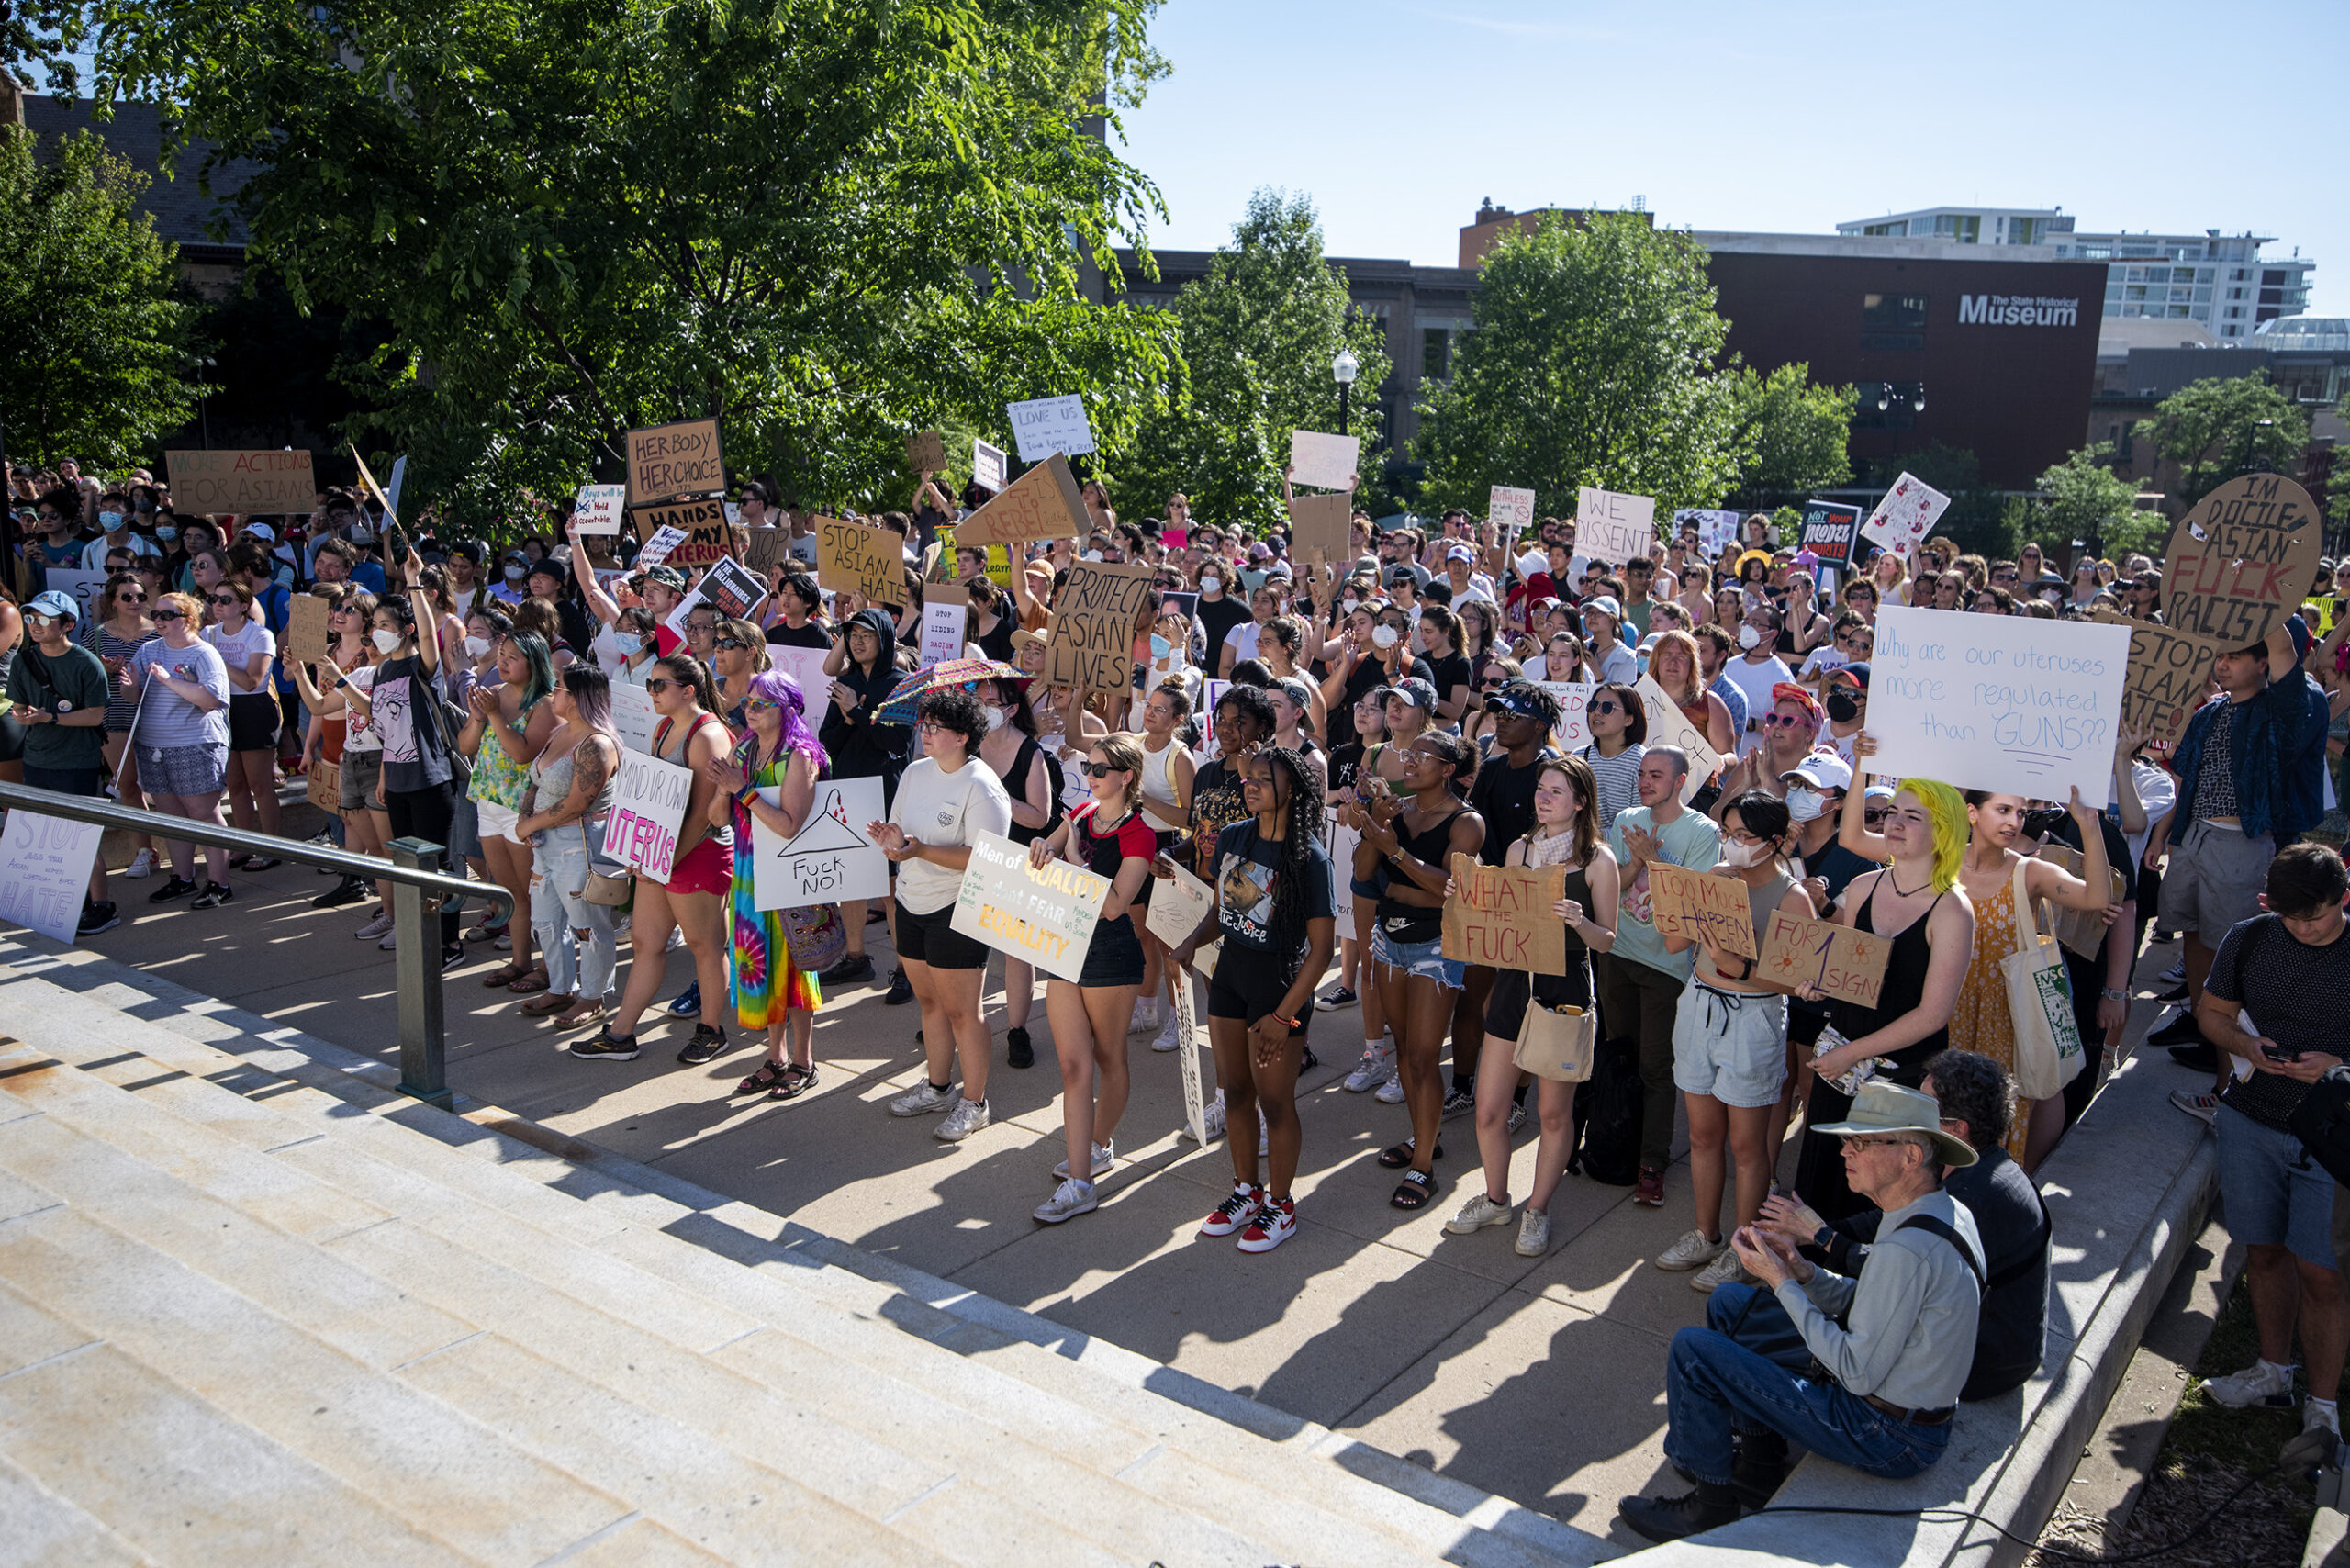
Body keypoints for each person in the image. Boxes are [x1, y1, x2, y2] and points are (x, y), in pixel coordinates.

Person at [1618, 1080, 1985, 1542]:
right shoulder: (1938, 1213)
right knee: (1731, 1303)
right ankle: (1758, 1463)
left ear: (1911, 1156)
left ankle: (1708, 1510)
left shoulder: (1908, 1248)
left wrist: (1781, 1282)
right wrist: (1806, 1274)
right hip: (1899, 1409)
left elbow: (1855, 1372)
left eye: (1860, 1142)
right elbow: (1873, 1302)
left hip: (1887, 1434)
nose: (1844, 1152)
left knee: (1694, 1351)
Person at [1760, 1047, 2052, 1404]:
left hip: (1986, 1363)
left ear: (1956, 1129)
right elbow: (1881, 1227)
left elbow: (1889, 1271)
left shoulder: (1976, 1196)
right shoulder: (1976, 1169)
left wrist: (1816, 1242)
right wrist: (1808, 1235)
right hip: (1981, 1343)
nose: (1909, 1109)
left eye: (1923, 1106)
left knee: (1767, 1335)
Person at [2191, 843, 2349, 1440]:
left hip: (2331, 1139)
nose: (2307, 929)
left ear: (2343, 898)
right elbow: (2212, 1014)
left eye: (2319, 917)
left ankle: (2324, 1406)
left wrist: (2336, 1066)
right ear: (2267, 903)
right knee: (2261, 1252)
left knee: (2323, 1272)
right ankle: (2273, 1370)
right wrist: (2245, 1046)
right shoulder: (2250, 938)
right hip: (2250, 1121)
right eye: (2294, 919)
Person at [1446, 754, 1619, 1257]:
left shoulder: (1597, 861)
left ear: (1581, 802)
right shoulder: (1520, 849)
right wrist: (1466, 895)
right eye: (1541, 789)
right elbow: (1501, 915)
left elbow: (1607, 940)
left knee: (1551, 1114)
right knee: (1488, 1110)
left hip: (1563, 991)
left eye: (1556, 792)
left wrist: (1579, 921)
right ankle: (1497, 1199)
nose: (1543, 798)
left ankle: (1537, 1210)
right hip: (1513, 985)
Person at [1173, 745, 1337, 1251]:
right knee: (1236, 1094)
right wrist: (1186, 946)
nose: (1252, 783)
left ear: (1293, 789)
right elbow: (1222, 910)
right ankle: (1246, 1190)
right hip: (1229, 978)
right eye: (1250, 776)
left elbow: (1322, 950)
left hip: (1278, 989)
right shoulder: (1233, 837)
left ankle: (1281, 1206)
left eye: (1265, 778)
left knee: (1275, 1101)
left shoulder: (1310, 859)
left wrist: (1282, 1017)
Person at [1794, 773, 1975, 1225]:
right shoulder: (1863, 887)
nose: (1894, 823)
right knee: (1825, 1174)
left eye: (1913, 816)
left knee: (1879, 1194)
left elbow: (1934, 1014)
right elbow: (1851, 974)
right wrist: (1819, 982)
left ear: (1944, 832)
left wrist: (1853, 1054)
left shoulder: (1953, 909)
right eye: (1892, 812)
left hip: (1902, 1074)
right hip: (1841, 1056)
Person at [1654, 793, 1818, 1291]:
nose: (1734, 844)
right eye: (1729, 832)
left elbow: (1800, 980)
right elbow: (1675, 943)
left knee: (1747, 1144)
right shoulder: (1718, 877)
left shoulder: (1793, 898)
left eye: (1745, 836)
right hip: (1700, 1005)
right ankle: (1706, 1234)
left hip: (1753, 1020)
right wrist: (1671, 903)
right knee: (1703, 1135)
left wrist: (1740, 965)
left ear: (1774, 842)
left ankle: (1747, 1247)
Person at [2149, 621, 2322, 1064]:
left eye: (2234, 656)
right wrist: (2163, 835)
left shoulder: (2281, 711)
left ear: (2262, 663)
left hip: (2241, 843)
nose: (2221, 665)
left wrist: (2258, 604)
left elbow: (2285, 649)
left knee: (2233, 945)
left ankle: (2230, 1050)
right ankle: (2206, 1027)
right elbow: (2184, 778)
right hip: (2191, 840)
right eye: (2219, 656)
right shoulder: (2209, 711)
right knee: (2193, 933)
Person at [570, 654, 737, 1061]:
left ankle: (712, 1031)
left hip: (699, 853)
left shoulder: (708, 736)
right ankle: (621, 1034)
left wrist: (662, 860)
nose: (652, 692)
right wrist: (639, 850)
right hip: (662, 854)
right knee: (646, 942)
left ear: (688, 691)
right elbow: (651, 794)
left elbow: (702, 813)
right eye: (649, 685)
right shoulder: (663, 726)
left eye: (659, 685)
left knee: (705, 945)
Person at [1944, 782, 2114, 1167]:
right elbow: (1858, 840)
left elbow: (2097, 899)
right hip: (1946, 1014)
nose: (2014, 821)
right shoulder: (1943, 860)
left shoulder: (2030, 872)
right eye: (2003, 810)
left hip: (2006, 1021)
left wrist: (2088, 823)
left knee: (1992, 1129)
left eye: (2019, 813)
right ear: (1972, 813)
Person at [1024, 734, 1158, 1223]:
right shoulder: (1081, 814)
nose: (1091, 776)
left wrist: (1075, 859)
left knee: (1109, 1058)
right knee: (1074, 1069)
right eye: (1089, 766)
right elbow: (1047, 845)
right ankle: (1081, 1181)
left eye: (1100, 770)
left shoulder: (1139, 834)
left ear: (1126, 777)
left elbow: (1114, 906)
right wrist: (1044, 844)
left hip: (1110, 955)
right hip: (1065, 948)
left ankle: (1100, 1144)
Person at [1349, 729, 1483, 1210]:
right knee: (1404, 1049)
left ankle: (1423, 1167)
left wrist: (1396, 854)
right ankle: (1421, 1136)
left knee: (1425, 1057)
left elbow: (1450, 889)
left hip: (1436, 946)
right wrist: (1375, 830)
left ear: (1448, 768)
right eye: (1409, 754)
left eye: (1422, 756)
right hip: (1390, 941)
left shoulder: (1467, 823)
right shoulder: (1398, 812)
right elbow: (1364, 874)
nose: (1410, 762)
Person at [875, 689, 1011, 1140]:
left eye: (936, 728)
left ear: (963, 738)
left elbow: (984, 857)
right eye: (924, 725)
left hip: (958, 908)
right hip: (913, 902)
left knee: (962, 1012)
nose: (925, 733)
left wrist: (920, 849)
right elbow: (903, 836)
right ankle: (938, 1089)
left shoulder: (982, 786)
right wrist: (892, 841)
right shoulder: (915, 773)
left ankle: (976, 1102)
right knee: (930, 1003)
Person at [1605, 747, 1724, 1207]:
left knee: (1655, 1066)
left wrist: (1653, 859)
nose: (1644, 781)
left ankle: (1652, 1162)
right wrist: (1637, 861)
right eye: (1641, 773)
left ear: (1681, 781)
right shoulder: (1626, 818)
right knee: (1620, 1055)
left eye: (1656, 774)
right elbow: (1613, 881)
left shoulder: (1701, 831)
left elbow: (1689, 901)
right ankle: (1618, 1144)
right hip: (1619, 952)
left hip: (1665, 966)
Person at [338, 565, 468, 968]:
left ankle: (450, 944)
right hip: (395, 782)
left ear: (407, 629)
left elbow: (431, 635)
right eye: (374, 624)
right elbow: (379, 716)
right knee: (408, 867)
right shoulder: (382, 669)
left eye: (384, 624)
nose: (376, 631)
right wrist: (339, 681)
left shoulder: (420, 667)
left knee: (439, 866)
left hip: (430, 781)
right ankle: (420, 937)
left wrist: (413, 583)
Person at [711, 670, 830, 1100]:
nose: (751, 710)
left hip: (790, 874)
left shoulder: (800, 755)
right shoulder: (744, 748)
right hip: (749, 872)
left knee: (795, 967)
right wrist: (722, 788)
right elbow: (718, 818)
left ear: (787, 709)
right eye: (747, 703)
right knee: (760, 967)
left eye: (761, 704)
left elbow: (790, 826)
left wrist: (741, 789)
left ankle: (803, 1060)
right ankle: (774, 1057)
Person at [1449, 680, 1566, 1120]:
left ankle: (1516, 1099)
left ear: (1539, 726)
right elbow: (1473, 828)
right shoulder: (1493, 769)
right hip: (1489, 901)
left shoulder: (1555, 774)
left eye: (1512, 714)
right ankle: (1462, 1086)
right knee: (1471, 1000)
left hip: (1533, 907)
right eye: (1498, 712)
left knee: (1517, 1009)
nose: (1501, 719)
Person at [512, 665, 621, 1028]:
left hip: (580, 844)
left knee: (587, 924)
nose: (551, 695)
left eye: (558, 689)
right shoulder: (560, 732)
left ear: (576, 699)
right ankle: (560, 986)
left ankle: (593, 996)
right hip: (547, 843)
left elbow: (578, 802)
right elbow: (536, 779)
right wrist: (527, 816)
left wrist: (531, 822)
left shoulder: (597, 744)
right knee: (545, 919)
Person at [10, 588, 118, 929]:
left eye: (44, 619)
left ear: (68, 624)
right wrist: (23, 715)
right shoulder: (23, 659)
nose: (35, 626)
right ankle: (68, 900)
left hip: (76, 762)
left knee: (81, 836)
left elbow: (96, 715)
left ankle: (103, 905)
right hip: (37, 758)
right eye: (30, 619)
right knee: (42, 836)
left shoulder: (86, 663)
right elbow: (17, 706)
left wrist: (50, 718)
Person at [818, 607, 912, 993]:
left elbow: (897, 743)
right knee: (851, 883)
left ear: (885, 640)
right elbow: (827, 741)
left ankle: (906, 969)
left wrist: (856, 710)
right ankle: (856, 959)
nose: (856, 641)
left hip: (888, 793)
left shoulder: (901, 683)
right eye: (851, 634)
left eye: (866, 635)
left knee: (890, 888)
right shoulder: (846, 680)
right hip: (848, 792)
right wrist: (848, 717)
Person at [121, 592, 234, 909]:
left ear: (188, 619)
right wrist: (128, 682)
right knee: (171, 817)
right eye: (156, 614)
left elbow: (211, 700)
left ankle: (219, 884)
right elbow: (132, 697)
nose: (158, 620)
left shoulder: (204, 653)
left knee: (203, 815)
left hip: (195, 745)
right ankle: (183, 878)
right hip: (153, 745)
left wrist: (169, 679)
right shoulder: (148, 649)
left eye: (168, 615)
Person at [462, 631, 558, 992]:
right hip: (488, 801)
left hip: (522, 809)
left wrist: (494, 717)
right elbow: (466, 745)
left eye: (512, 657)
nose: (502, 662)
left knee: (537, 894)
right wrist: (477, 717)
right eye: (501, 654)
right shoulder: (495, 697)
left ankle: (550, 967)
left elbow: (523, 753)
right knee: (509, 891)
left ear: (533, 663)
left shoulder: (543, 704)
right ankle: (521, 961)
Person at [975, 673, 1058, 1070]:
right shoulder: (967, 745)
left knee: (1015, 950)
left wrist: (997, 797)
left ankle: (1017, 1029)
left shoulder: (1031, 753)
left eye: (992, 703)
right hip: (972, 857)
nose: (983, 708)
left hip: (1015, 859)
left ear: (1010, 710)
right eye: (979, 700)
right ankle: (963, 1014)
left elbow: (1040, 815)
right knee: (968, 943)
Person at [86, 572, 162, 879]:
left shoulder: (160, 632)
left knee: (165, 789)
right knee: (127, 785)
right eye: (127, 597)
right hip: (115, 718)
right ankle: (144, 851)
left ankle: (182, 851)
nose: (135, 602)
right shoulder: (97, 636)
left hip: (158, 719)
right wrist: (102, 672)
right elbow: (84, 684)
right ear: (112, 601)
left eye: (141, 596)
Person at [1581, 680, 1648, 829]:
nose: (1597, 712)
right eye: (1593, 705)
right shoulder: (1579, 757)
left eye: (1607, 707)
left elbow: (1641, 824)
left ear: (1628, 719)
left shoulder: (1643, 762)